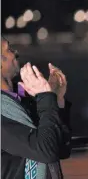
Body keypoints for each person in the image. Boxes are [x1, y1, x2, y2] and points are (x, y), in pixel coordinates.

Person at [1, 36, 72, 179]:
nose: (16, 53)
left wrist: (55, 99)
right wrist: (45, 97)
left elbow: (62, 148)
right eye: (8, 49)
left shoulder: (23, 99)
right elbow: (46, 151)